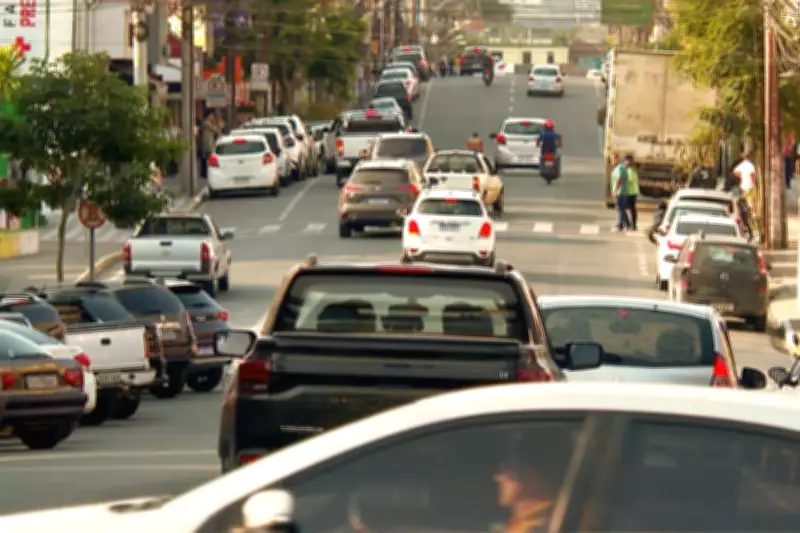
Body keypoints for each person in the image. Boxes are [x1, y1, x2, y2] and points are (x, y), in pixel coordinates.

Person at [733, 151, 759, 234]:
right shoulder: (751, 165)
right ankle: (752, 214)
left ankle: (748, 213)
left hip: (743, 185)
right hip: (750, 186)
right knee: (752, 202)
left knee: (744, 202)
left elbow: (735, 171)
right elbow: (752, 175)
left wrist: (741, 176)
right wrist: (754, 183)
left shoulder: (742, 165)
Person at [610, 153, 631, 231]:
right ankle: (625, 224)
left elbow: (619, 179)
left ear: (617, 159)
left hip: (621, 191)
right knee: (621, 208)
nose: (612, 160)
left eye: (613, 159)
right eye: (611, 158)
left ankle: (620, 225)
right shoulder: (621, 167)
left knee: (620, 208)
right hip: (623, 191)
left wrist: (615, 190)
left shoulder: (619, 168)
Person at [624, 155, 639, 230]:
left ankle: (632, 225)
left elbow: (630, 180)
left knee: (630, 208)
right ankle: (631, 224)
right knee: (631, 208)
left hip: (631, 192)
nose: (626, 162)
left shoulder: (631, 170)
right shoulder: (630, 169)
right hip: (631, 191)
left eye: (627, 160)